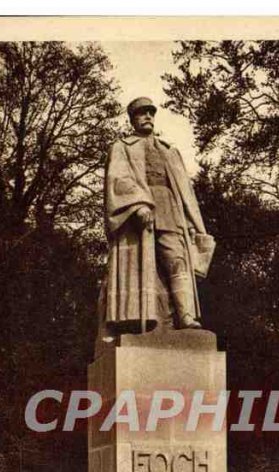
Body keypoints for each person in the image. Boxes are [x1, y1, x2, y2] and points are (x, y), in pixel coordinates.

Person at [101, 96, 209, 338]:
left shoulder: (168, 150)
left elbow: (185, 192)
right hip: (140, 212)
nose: (148, 116)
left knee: (177, 260)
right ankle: (143, 319)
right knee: (144, 267)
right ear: (132, 119)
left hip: (170, 210)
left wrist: (191, 223)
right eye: (142, 113)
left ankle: (186, 316)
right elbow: (118, 179)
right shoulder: (122, 147)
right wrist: (138, 205)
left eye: (151, 112)